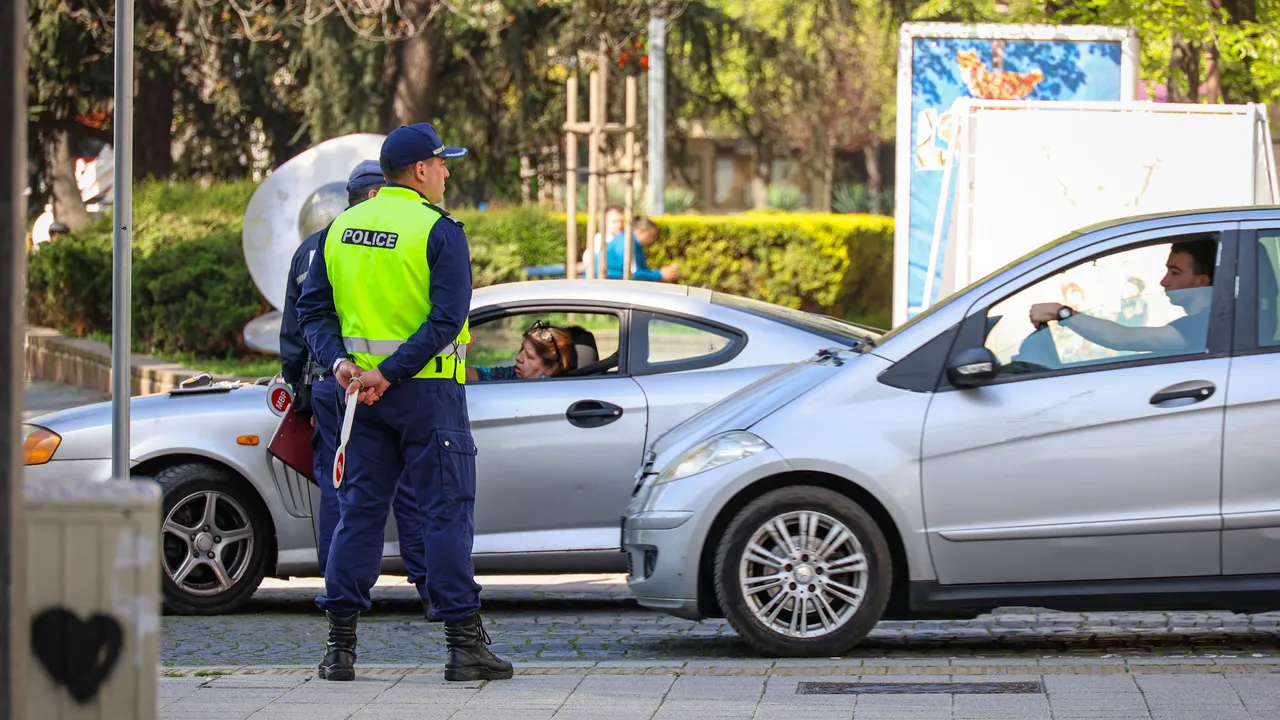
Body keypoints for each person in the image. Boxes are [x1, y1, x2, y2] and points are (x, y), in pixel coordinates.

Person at [296, 122, 511, 683]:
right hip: (427, 393)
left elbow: (313, 313)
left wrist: (344, 365)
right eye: (443, 164)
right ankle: (464, 647)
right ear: (420, 170)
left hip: (358, 397)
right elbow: (447, 320)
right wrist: (390, 373)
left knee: (358, 513)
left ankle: (339, 648)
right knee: (444, 512)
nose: (446, 173)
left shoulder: (341, 229)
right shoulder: (439, 230)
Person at [280, 159, 440, 623]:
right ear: (378, 195)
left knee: (342, 488)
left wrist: (298, 384)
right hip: (398, 382)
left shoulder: (317, 245)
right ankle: (430, 589)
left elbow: (298, 325)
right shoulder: (403, 236)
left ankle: (340, 596)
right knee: (410, 489)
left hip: (334, 383)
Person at [1029, 237, 1216, 354]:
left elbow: (1121, 338)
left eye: (1175, 273)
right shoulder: (1207, 323)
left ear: (1201, 281)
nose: (1164, 281)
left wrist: (1062, 313)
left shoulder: (1205, 326)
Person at [466, 322, 577, 382]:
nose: (519, 357)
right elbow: (479, 376)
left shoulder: (544, 390)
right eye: (521, 349)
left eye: (529, 356)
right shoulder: (517, 375)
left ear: (550, 369)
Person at [594, 218, 680, 283]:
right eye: (653, 236)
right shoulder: (628, 242)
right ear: (641, 232)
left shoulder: (635, 244)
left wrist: (661, 273)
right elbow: (633, 274)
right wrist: (660, 274)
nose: (654, 240)